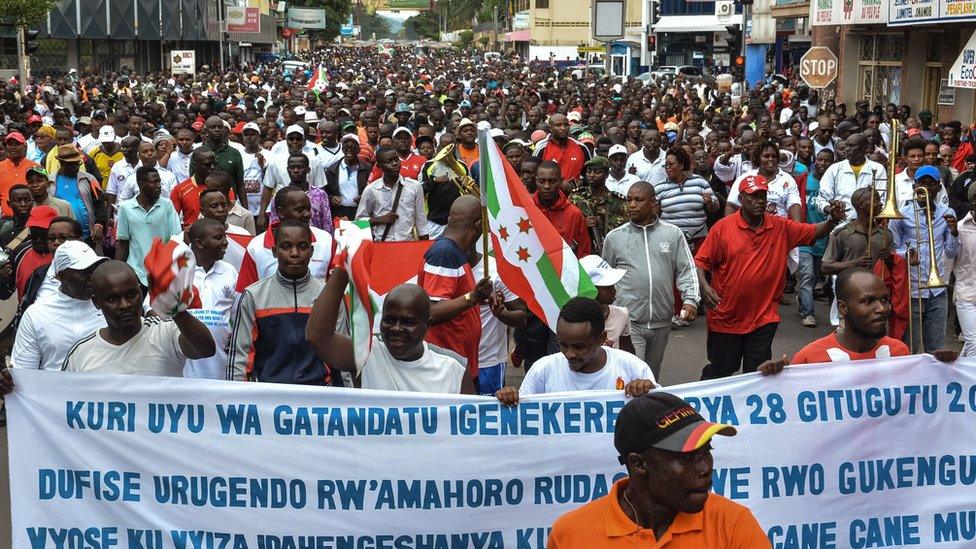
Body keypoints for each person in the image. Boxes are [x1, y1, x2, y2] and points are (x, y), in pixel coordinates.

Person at [547, 391, 769, 548]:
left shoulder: (731, 523)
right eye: (687, 457)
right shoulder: (572, 534)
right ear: (638, 464)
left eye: (706, 451)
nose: (705, 468)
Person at [695, 174, 846, 379]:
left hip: (763, 317)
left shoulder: (780, 226)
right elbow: (701, 262)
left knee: (757, 374)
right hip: (725, 316)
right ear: (741, 199)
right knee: (721, 370)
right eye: (753, 197)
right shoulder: (723, 228)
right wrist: (705, 287)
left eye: (762, 196)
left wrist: (832, 221)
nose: (759, 201)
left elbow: (812, 232)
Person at [305, 267, 476, 394]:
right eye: (389, 320)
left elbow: (474, 430)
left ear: (427, 325)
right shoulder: (366, 354)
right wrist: (344, 269)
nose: (396, 329)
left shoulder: (454, 369)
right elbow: (317, 337)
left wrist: (502, 400)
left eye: (408, 322)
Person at [228, 220, 342, 386]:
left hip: (320, 397)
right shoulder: (254, 296)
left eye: (302, 246)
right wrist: (234, 401)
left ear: (312, 251)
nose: (294, 253)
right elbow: (241, 356)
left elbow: (342, 355)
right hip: (270, 397)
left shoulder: (329, 296)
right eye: (286, 246)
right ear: (274, 251)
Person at [602, 182, 698, 378]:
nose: (632, 205)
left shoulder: (672, 233)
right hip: (630, 321)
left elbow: (686, 269)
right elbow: (605, 278)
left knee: (652, 375)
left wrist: (690, 300)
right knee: (633, 374)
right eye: (629, 200)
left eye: (638, 200)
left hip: (662, 320)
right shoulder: (615, 237)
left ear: (653, 202)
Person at [57, 260, 215, 376]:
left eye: (131, 295)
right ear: (96, 302)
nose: (125, 305)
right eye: (113, 299)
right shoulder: (80, 354)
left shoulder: (165, 332)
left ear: (141, 293)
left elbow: (206, 349)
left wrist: (176, 310)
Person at [495, 297, 656, 405]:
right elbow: (524, 416)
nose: (570, 354)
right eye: (562, 344)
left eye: (579, 347)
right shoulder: (543, 370)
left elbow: (660, 417)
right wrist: (510, 398)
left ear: (601, 339)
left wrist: (648, 393)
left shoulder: (633, 368)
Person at [419, 196, 494, 383]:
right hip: (448, 367)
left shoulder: (453, 251)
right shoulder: (445, 254)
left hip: (458, 362)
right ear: (478, 225)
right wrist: (473, 297)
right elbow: (431, 312)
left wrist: (478, 296)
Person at [889, 165, 959, 353]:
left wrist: (953, 233)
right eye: (923, 183)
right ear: (915, 187)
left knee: (936, 348)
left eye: (932, 184)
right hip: (912, 288)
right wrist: (906, 255)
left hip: (938, 289)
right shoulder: (901, 214)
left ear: (938, 187)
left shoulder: (948, 212)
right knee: (910, 346)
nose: (927, 189)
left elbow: (951, 253)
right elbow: (893, 249)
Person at [11, 241, 107, 371]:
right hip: (54, 390)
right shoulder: (36, 314)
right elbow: (23, 372)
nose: (92, 276)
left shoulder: (110, 306)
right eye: (84, 271)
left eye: (95, 268)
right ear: (62, 276)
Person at [790, 268, 910, 364]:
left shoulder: (899, 353)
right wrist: (774, 376)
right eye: (868, 301)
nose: (882, 308)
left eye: (884, 300)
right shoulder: (809, 360)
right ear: (843, 308)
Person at [170, 218, 239, 379]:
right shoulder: (175, 270)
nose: (226, 243)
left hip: (220, 368)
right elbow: (152, 310)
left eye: (225, 237)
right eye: (218, 238)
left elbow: (239, 316)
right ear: (199, 243)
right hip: (182, 369)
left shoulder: (230, 272)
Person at [236, 186, 334, 292]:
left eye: (308, 209)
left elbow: (336, 288)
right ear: (281, 212)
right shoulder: (256, 246)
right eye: (300, 210)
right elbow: (244, 293)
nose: (308, 214)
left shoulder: (326, 240)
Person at [115, 166, 181, 289]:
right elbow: (123, 243)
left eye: (159, 181)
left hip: (163, 273)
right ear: (142, 184)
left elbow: (176, 240)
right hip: (136, 274)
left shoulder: (167, 205)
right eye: (154, 182)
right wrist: (117, 271)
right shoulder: (125, 208)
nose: (159, 185)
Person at [356, 148, 429, 242]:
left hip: (408, 246)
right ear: (379, 166)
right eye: (389, 161)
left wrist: (425, 246)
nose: (395, 164)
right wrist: (379, 220)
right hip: (382, 246)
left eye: (396, 159)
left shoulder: (415, 186)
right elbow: (358, 224)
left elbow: (421, 220)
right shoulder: (371, 190)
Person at [816, 133, 887, 220]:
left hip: (869, 225)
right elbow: (821, 200)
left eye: (851, 146)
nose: (847, 149)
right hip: (840, 226)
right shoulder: (834, 169)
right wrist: (832, 210)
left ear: (865, 149)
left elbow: (882, 200)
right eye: (846, 146)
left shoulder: (878, 169)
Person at [49, 145, 107, 244]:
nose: (76, 167)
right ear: (62, 163)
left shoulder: (89, 179)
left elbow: (100, 204)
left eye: (78, 164)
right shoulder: (50, 181)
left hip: (87, 237)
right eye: (72, 164)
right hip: (60, 239)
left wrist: (99, 224)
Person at [570, 156, 626, 255]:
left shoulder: (618, 201)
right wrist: (583, 224)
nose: (591, 175)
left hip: (609, 252)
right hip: (581, 251)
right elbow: (567, 224)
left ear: (606, 175)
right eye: (589, 172)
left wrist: (600, 223)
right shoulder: (576, 197)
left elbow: (624, 230)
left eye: (597, 172)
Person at [534, 160, 591, 257]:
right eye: (542, 181)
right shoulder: (526, 209)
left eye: (552, 181)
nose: (547, 186)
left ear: (561, 181)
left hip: (565, 269)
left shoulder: (574, 213)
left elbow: (584, 251)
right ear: (536, 181)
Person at [580, 254, 634, 353]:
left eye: (612, 285)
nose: (613, 290)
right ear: (591, 288)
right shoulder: (574, 321)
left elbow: (627, 349)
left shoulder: (622, 314)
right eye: (606, 287)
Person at [267, 154, 333, 232]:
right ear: (287, 170)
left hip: (317, 239)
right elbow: (274, 224)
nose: (295, 170)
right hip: (289, 239)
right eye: (292, 167)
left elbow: (327, 223)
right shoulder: (279, 197)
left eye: (300, 167)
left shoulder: (320, 195)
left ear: (308, 170)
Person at [197, 116, 247, 207]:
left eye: (220, 127)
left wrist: (246, 210)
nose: (217, 130)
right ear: (206, 130)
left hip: (230, 204)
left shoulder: (234, 153)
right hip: (206, 205)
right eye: (213, 127)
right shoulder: (199, 152)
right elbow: (194, 182)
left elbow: (240, 184)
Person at [325, 134, 371, 220]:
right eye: (346, 146)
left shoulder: (367, 168)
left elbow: (373, 189)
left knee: (361, 232)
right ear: (342, 149)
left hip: (361, 212)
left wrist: (364, 196)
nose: (349, 149)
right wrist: (332, 198)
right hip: (340, 213)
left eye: (353, 147)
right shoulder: (332, 169)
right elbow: (326, 191)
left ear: (359, 150)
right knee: (342, 232)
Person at [953, 184, 976, 357]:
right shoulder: (960, 228)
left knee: (971, 345)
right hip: (966, 294)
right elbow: (949, 259)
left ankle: (955, 377)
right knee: (974, 343)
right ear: (974, 200)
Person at [535, 114, 590, 183]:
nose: (563, 128)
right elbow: (534, 174)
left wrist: (581, 182)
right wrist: (559, 184)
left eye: (566, 125)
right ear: (550, 128)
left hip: (576, 192)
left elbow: (590, 174)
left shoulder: (581, 147)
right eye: (558, 125)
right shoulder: (542, 148)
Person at [170, 148, 216, 229]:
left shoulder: (222, 187)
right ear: (195, 165)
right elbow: (172, 219)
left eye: (214, 164)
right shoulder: (180, 189)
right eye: (207, 165)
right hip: (192, 237)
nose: (212, 167)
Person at [0, 133, 39, 217]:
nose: (13, 147)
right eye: (10, 144)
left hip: (31, 218)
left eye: (17, 144)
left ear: (25, 147)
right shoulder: (0, 166)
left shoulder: (36, 167)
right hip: (5, 220)